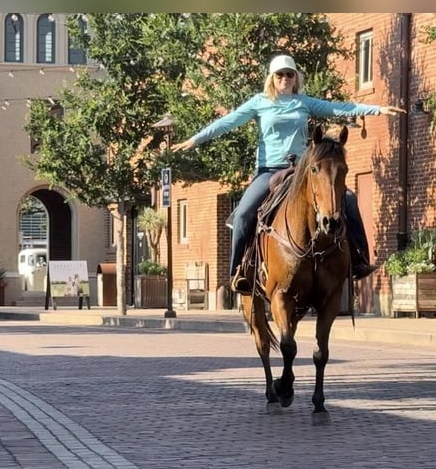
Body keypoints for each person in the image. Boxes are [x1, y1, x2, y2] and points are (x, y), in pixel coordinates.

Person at [173, 54, 405, 295]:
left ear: (296, 78)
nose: (285, 78)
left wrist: (377, 109)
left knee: (348, 199)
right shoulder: (259, 102)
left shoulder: (303, 102)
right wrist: (196, 138)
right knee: (243, 214)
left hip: (300, 170)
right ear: (272, 79)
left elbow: (339, 107)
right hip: (269, 170)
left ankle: (359, 260)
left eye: (289, 74)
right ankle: (238, 271)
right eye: (280, 74)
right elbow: (228, 122)